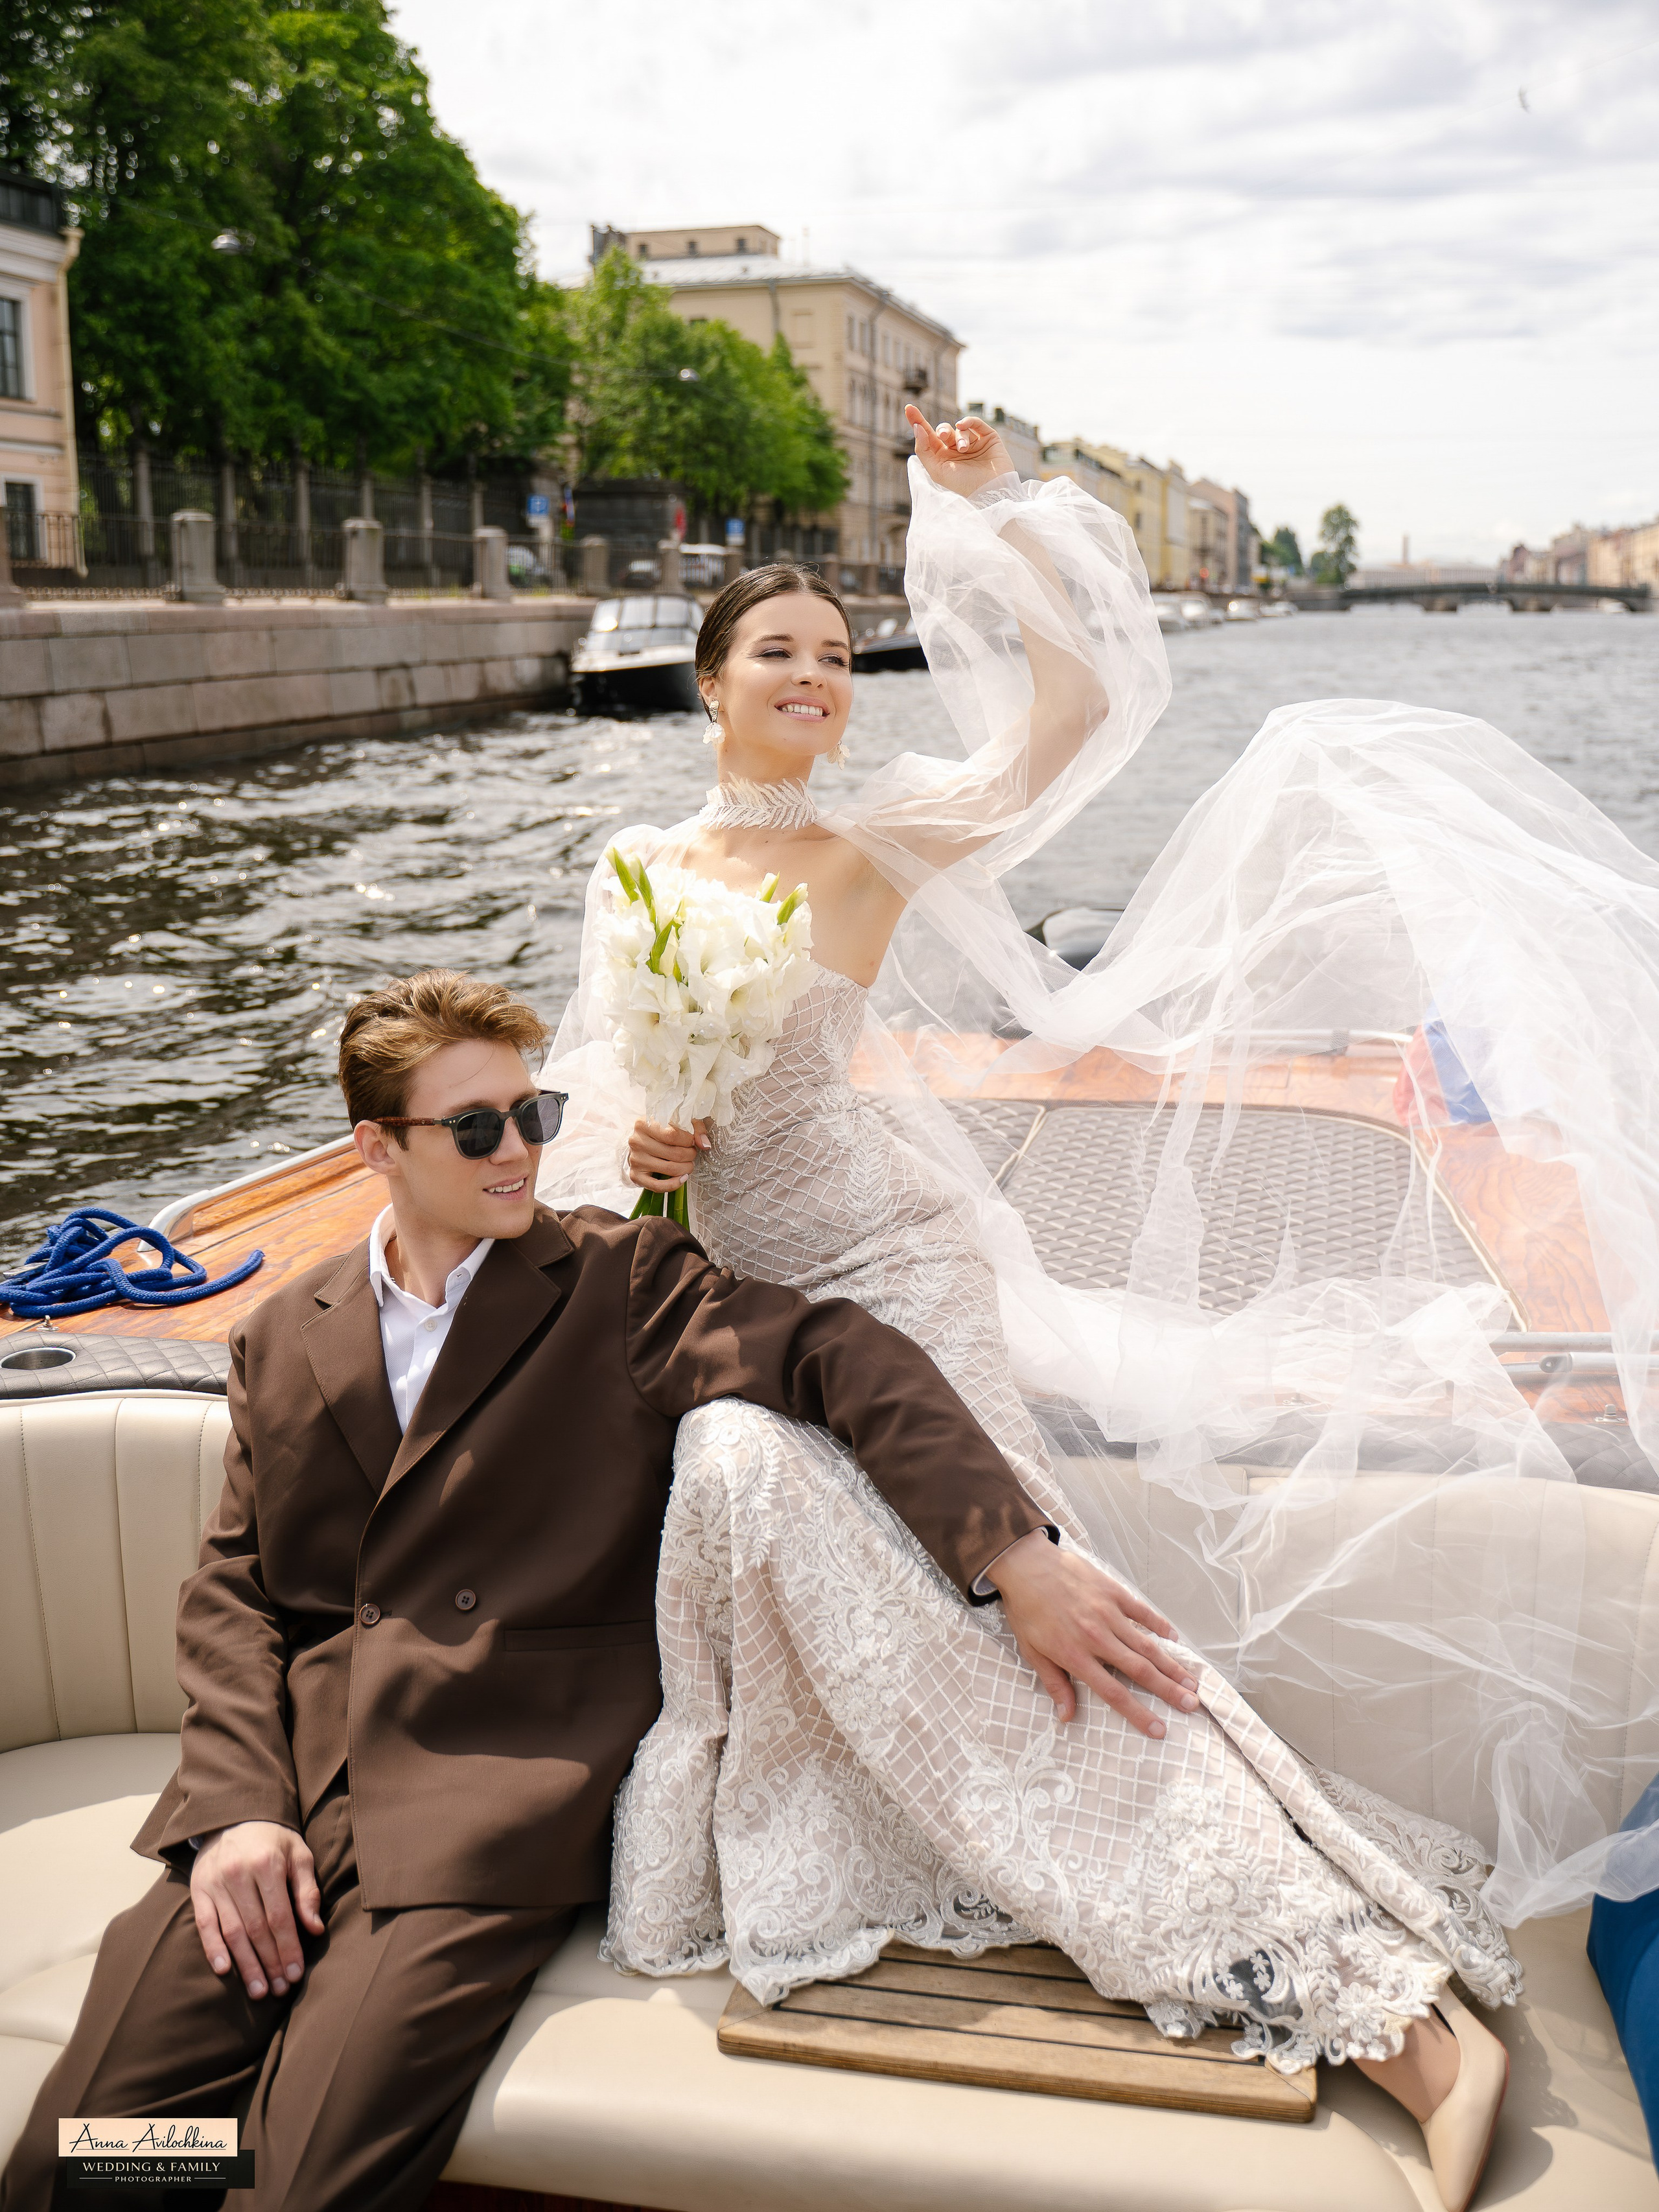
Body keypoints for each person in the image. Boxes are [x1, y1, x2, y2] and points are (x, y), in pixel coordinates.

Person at [539, 413, 1530, 2212]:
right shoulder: (634, 867)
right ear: (707, 678)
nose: (820, 680)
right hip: (729, 1283)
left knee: (997, 1592)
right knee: (743, 1487)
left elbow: (1068, 721)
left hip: (887, 1260)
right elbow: (595, 1104)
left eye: (842, 657)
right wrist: (646, 1150)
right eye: (783, 651)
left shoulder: (879, 836)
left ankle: (1336, 1966)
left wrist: (986, 513)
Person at [3, 967, 1148, 2212]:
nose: (520, 1153)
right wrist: (231, 1812)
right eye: (477, 1126)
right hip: (281, 1802)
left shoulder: (621, 1284)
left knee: (300, 2183)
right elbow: (239, 1585)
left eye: (532, 1113)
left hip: (478, 1811)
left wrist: (1013, 1554)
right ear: (374, 1147)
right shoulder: (282, 1332)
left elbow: (838, 1353)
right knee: (78, 2154)